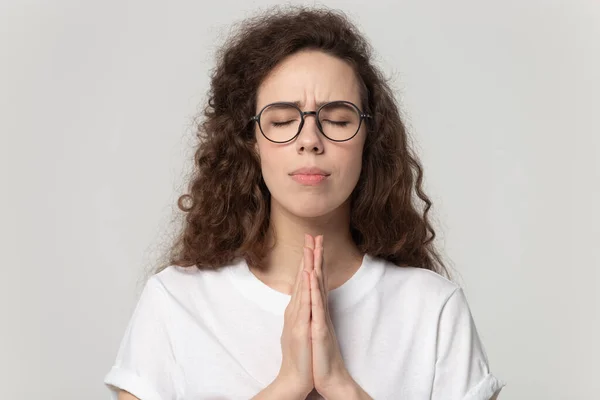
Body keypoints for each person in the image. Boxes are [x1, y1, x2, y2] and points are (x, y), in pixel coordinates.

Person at [103, 6, 505, 400]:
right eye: (281, 121)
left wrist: (341, 387)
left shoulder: (434, 310)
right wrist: (288, 386)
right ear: (250, 141)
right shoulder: (175, 302)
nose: (310, 139)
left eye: (338, 120)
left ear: (369, 140)